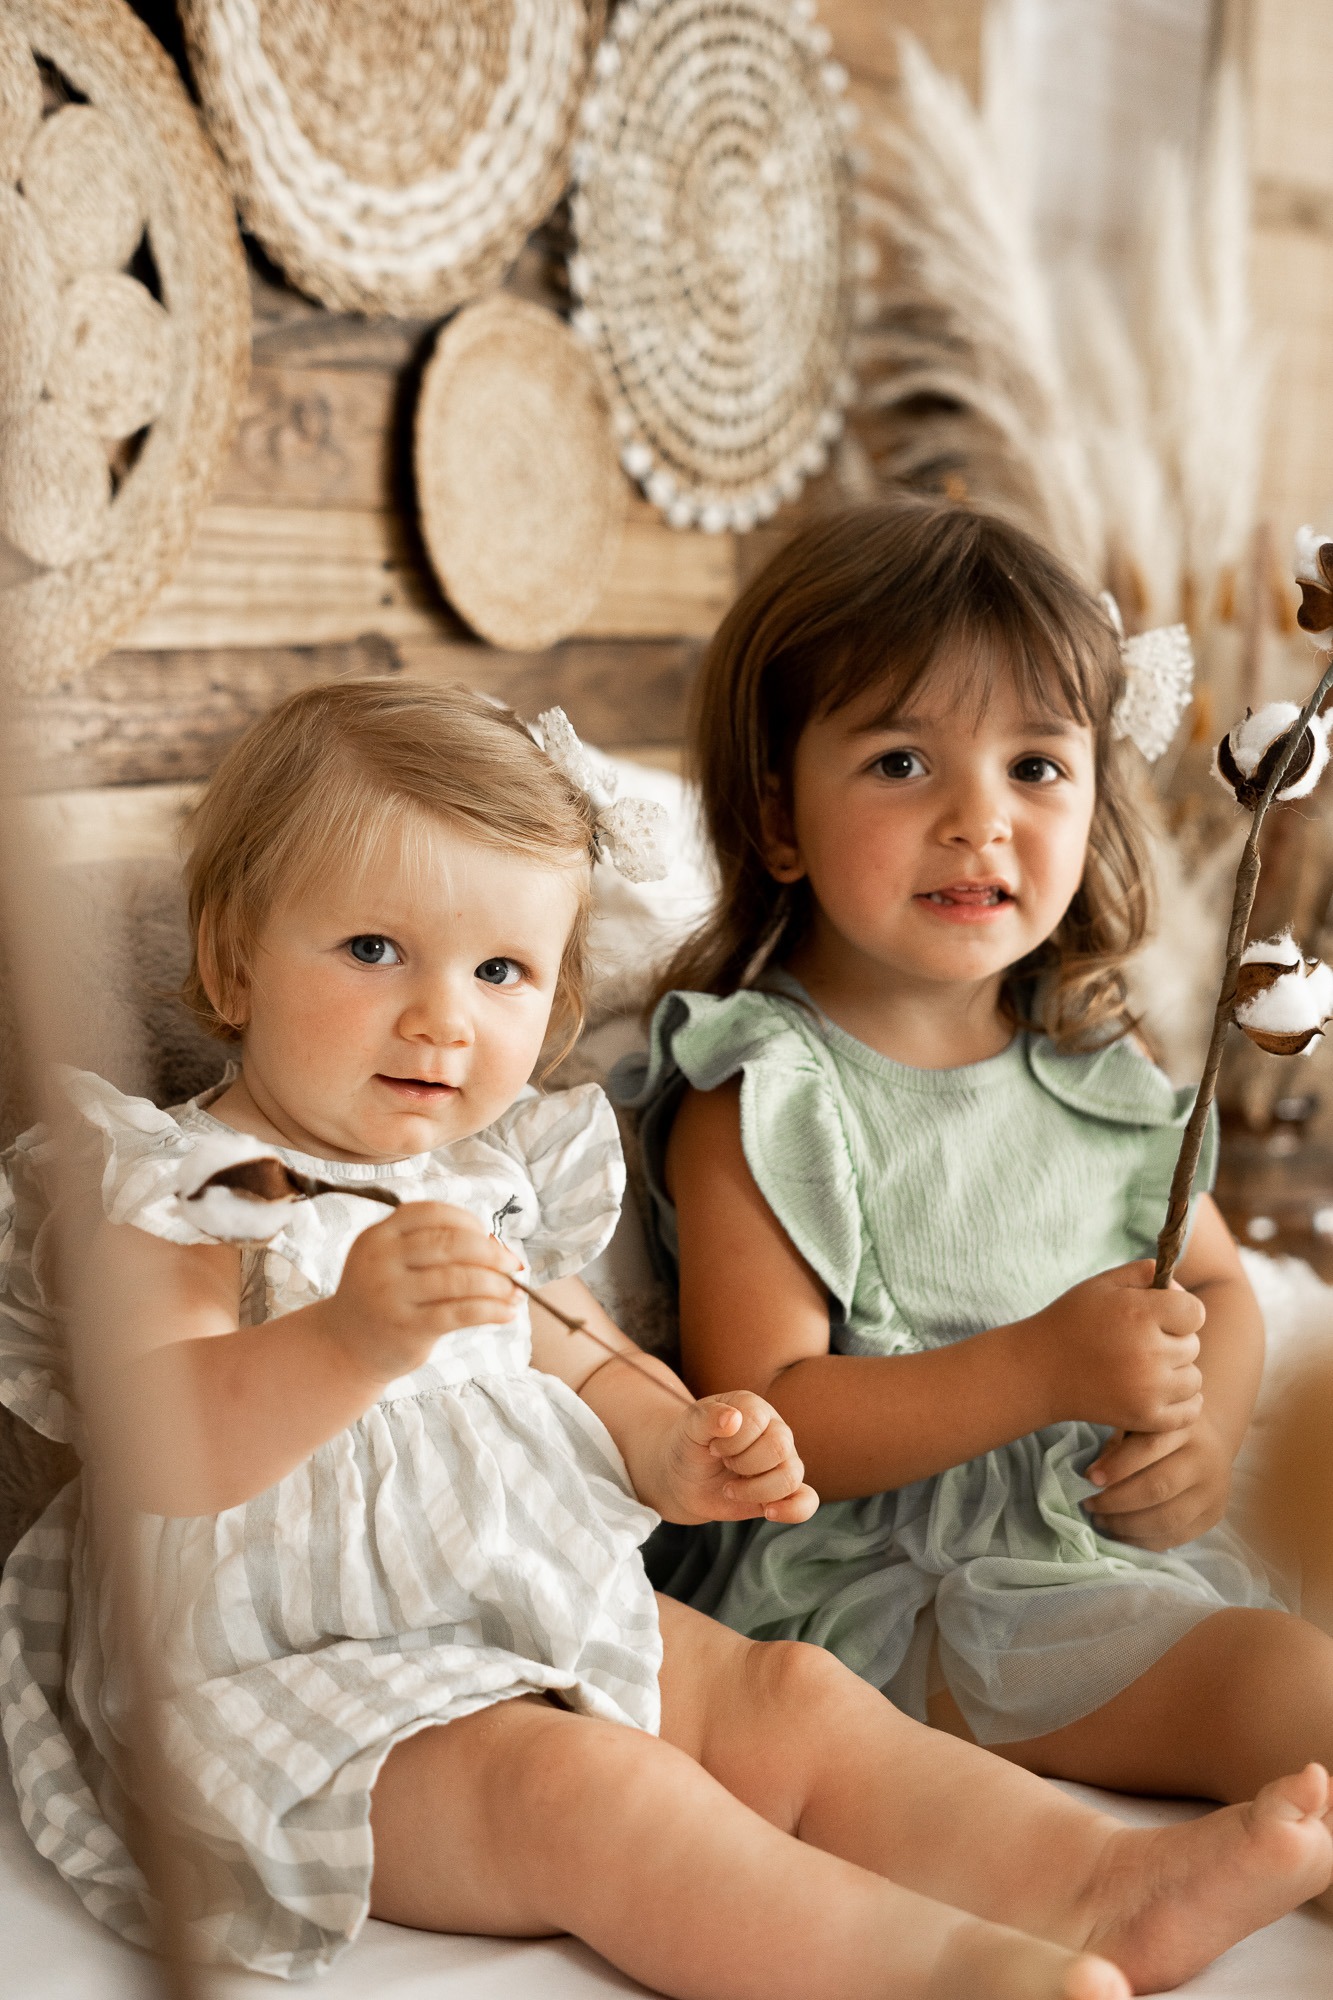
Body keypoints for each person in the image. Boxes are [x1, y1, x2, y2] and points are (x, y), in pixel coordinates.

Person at [1, 680, 1329, 2000]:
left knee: (786, 1693)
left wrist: (677, 1442)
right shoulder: (182, 1194)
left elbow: (581, 1363)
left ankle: (1092, 1882)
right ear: (231, 958)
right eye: (370, 950)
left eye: (499, 970)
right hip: (286, 1698)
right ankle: (927, 1971)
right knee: (576, 1786)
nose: (442, 1018)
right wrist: (346, 1340)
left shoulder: (482, 1188)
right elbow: (156, 1449)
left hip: (520, 1619)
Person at [628, 496, 1333, 1820]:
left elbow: (1222, 1289)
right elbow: (763, 1416)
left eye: (1034, 766)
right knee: (1282, 1692)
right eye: (901, 762)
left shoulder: (1095, 1076)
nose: (977, 819)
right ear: (779, 820)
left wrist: (1211, 1423)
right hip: (895, 1592)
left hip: (1086, 1544)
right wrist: (1035, 1369)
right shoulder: (766, 1092)